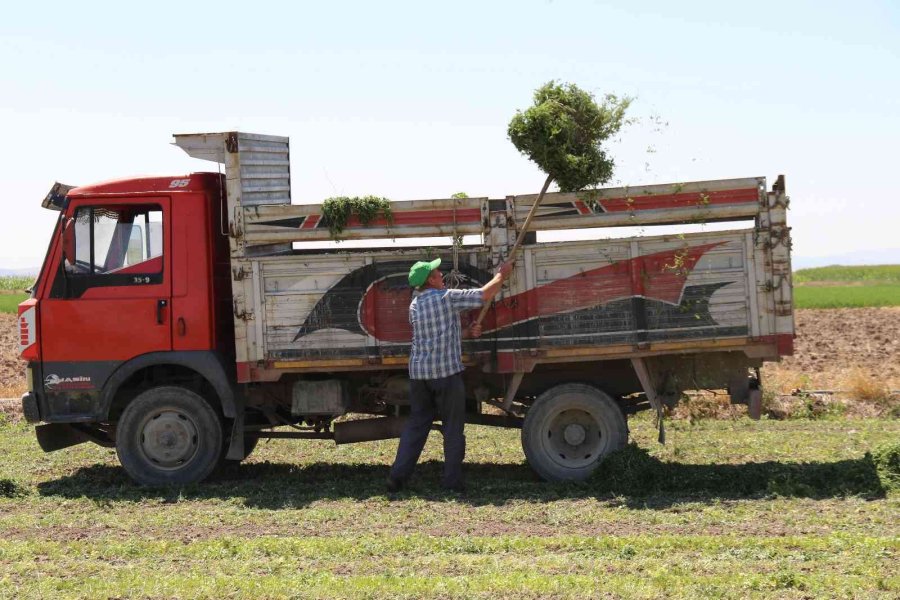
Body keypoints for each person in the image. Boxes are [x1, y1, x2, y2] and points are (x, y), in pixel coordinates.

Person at [387, 257, 512, 493]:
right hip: (445, 374)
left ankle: (397, 477)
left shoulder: (414, 304)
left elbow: (436, 334)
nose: (441, 277)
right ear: (429, 282)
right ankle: (452, 482)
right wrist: (501, 275)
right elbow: (483, 295)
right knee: (453, 428)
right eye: (436, 275)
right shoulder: (446, 298)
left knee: (416, 426)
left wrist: (465, 332)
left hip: (419, 375)